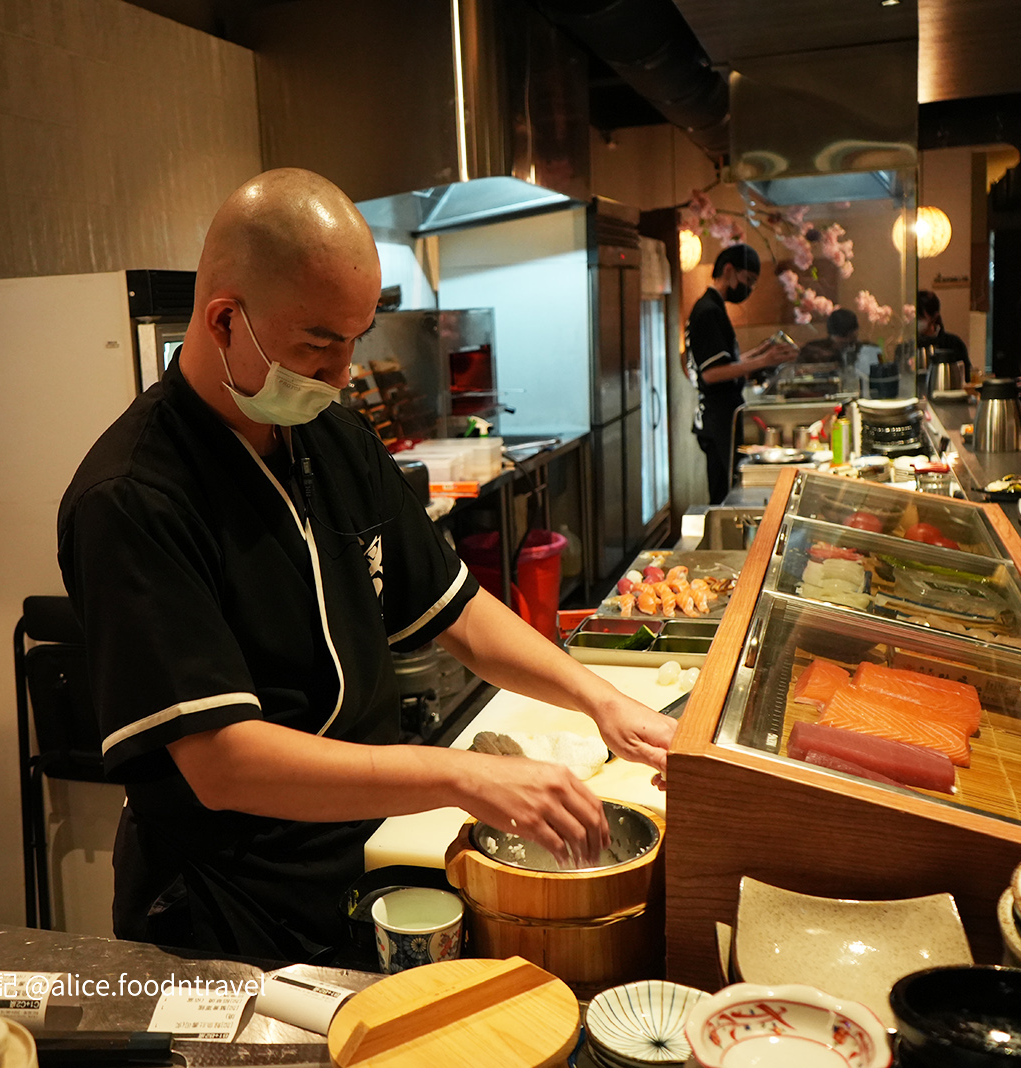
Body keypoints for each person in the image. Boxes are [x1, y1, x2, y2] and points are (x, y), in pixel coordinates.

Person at [57, 169, 679, 962]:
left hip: (366, 851)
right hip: (228, 901)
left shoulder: (329, 436)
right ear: (223, 320)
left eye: (354, 341)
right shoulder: (132, 498)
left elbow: (454, 606)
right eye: (318, 345)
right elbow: (223, 762)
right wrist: (463, 776)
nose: (343, 373)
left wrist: (601, 701)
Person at [687, 245, 797, 503]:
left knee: (726, 488)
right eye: (747, 281)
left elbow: (726, 362)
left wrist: (760, 352)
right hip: (717, 418)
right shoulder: (708, 311)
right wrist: (763, 360)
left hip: (723, 417)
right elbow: (712, 373)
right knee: (724, 494)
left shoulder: (713, 307)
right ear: (729, 270)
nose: (747, 289)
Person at [917, 290, 970, 382]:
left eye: (920, 317)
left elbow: (966, 377)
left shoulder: (953, 344)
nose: (916, 321)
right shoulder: (908, 346)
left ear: (934, 317)